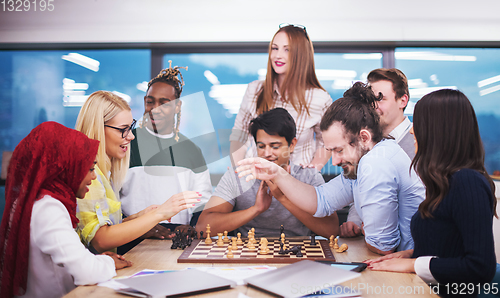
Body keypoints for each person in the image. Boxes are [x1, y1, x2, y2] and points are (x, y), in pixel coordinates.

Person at [236, 82, 425, 255]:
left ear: (364, 138)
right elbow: (321, 200)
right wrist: (277, 173)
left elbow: (383, 247)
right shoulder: (366, 159)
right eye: (330, 151)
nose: (334, 161)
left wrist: (370, 234)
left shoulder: (374, 163)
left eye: (339, 150)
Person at [365, 89, 497, 296]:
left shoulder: (467, 182)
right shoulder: (445, 182)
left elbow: (480, 267)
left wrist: (414, 264)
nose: (411, 131)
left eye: (418, 123)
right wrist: (410, 255)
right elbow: (448, 246)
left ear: (438, 131)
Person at [0, 122, 131, 298]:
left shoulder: (35, 201)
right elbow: (86, 273)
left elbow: (68, 258)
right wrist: (107, 262)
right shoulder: (48, 208)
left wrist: (96, 260)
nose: (93, 177)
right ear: (64, 166)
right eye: (90, 168)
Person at [75, 91, 201, 254]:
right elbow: (100, 240)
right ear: (99, 128)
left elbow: (106, 226)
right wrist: (159, 214)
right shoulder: (88, 177)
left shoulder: (103, 174)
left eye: (131, 128)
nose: (131, 137)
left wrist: (139, 217)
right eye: (123, 129)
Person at [198, 108, 338, 237]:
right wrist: (256, 209)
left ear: (292, 145)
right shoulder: (238, 176)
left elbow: (331, 230)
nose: (267, 153)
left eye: (275, 146)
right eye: (261, 146)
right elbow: (202, 228)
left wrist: (283, 198)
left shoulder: (309, 177)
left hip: (297, 256)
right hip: (247, 257)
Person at [120, 62, 212, 242]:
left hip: (176, 239)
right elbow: (110, 199)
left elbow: (202, 199)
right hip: (130, 239)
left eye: (165, 103)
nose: (155, 109)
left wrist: (192, 227)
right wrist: (138, 226)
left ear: (178, 107)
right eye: (150, 102)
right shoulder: (126, 143)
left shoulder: (192, 150)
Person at [230, 24, 332, 171]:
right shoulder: (254, 90)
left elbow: (326, 142)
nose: (278, 55)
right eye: (275, 48)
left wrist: (313, 170)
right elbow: (239, 134)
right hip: (257, 178)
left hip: (298, 183)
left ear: (301, 55)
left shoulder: (320, 98)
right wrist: (237, 168)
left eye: (287, 50)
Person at [341, 68, 415, 238]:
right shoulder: (368, 142)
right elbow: (363, 189)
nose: (374, 106)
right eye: (371, 100)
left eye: (381, 99)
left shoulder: (418, 143)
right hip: (372, 243)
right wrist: (353, 220)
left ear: (402, 100)